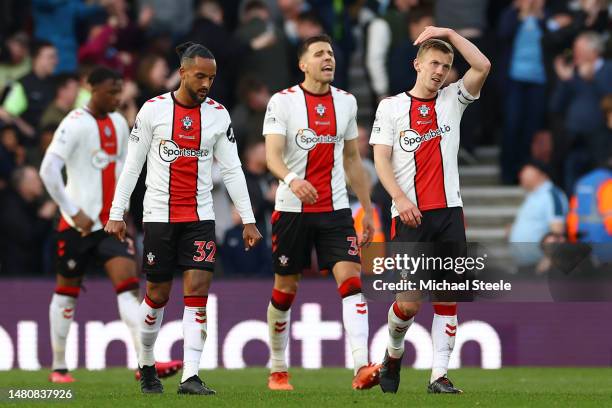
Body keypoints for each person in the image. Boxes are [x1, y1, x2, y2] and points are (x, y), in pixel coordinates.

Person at [104, 42, 262, 395]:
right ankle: (146, 365)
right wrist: (117, 213)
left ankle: (191, 375)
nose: (207, 83)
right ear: (183, 73)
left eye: (212, 77)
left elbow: (233, 168)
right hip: (159, 216)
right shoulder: (153, 110)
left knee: (197, 293)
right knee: (157, 294)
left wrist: (249, 219)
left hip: (199, 217)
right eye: (201, 76)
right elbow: (132, 166)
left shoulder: (219, 114)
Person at [39, 67, 182, 384]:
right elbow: (48, 170)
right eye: (110, 92)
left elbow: (122, 170)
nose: (117, 98)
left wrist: (123, 212)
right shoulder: (74, 123)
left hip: (110, 226)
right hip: (76, 226)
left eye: (119, 92)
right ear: (91, 89)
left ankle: (145, 362)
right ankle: (59, 367)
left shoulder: (119, 122)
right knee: (67, 292)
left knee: (129, 291)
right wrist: (72, 210)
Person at [370, 26, 490, 393]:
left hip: (450, 212)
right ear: (417, 65)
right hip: (410, 215)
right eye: (434, 63)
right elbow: (381, 159)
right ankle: (393, 354)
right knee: (407, 304)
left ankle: (439, 375)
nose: (441, 71)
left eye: (447, 65)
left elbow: (483, 65)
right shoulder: (391, 106)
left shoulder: (454, 98)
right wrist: (400, 199)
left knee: (447, 297)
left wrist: (450, 34)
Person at [263, 34, 379, 391]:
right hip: (292, 208)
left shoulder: (346, 102)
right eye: (319, 54)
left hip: (335, 210)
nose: (328, 58)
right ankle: (279, 369)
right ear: (303, 64)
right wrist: (293, 180)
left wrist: (369, 209)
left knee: (352, 282)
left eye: (330, 53)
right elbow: (272, 157)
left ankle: (361, 365)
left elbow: (351, 160)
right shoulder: (282, 102)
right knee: (286, 287)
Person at [509, 160, 568, 271]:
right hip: (525, 265)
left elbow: (557, 231)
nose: (520, 175)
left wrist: (547, 261)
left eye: (524, 171)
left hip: (539, 267)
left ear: (540, 173)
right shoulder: (533, 196)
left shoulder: (552, 195)